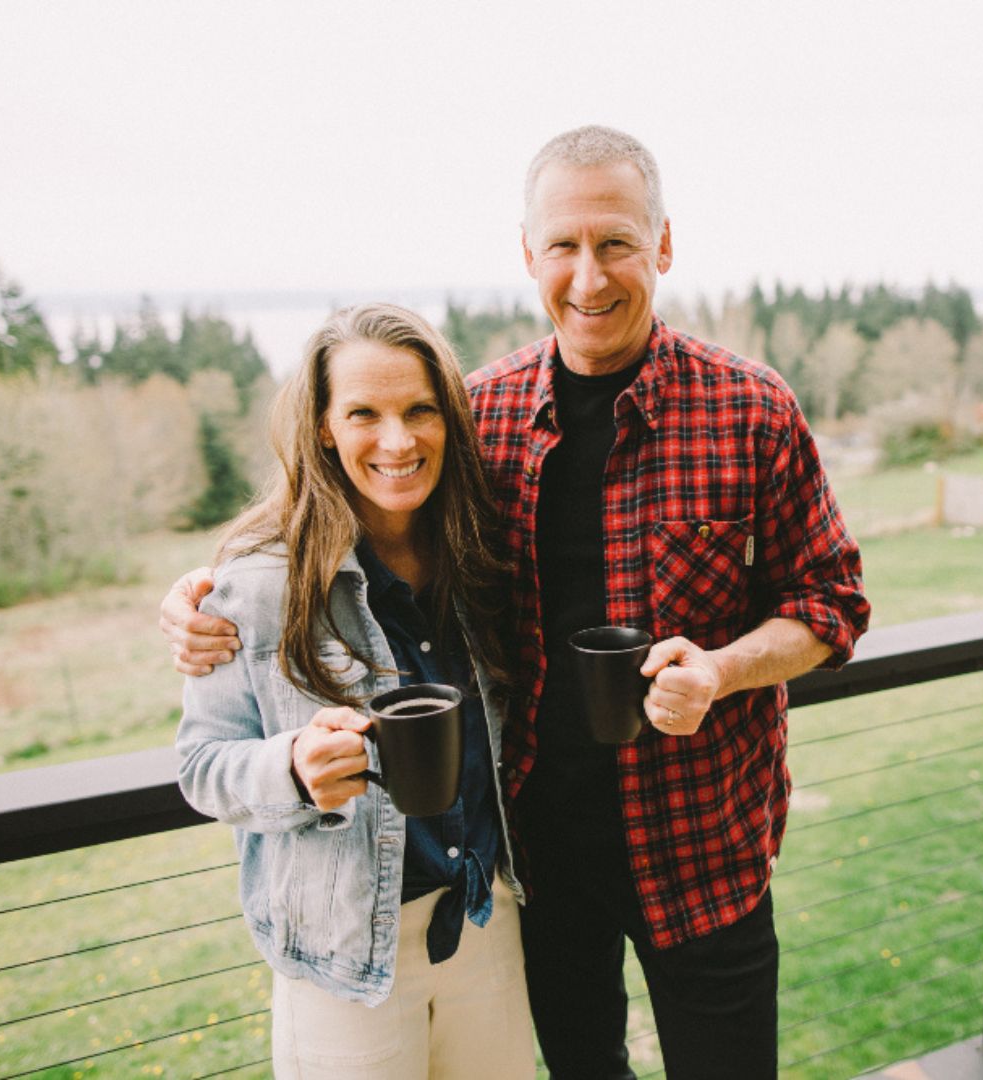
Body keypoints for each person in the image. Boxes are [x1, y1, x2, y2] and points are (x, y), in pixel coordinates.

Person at [164, 126, 870, 1079]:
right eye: (563, 247)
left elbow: (833, 605)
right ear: (527, 255)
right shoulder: (478, 414)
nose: (589, 277)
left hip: (705, 844)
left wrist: (723, 668)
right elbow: (349, 506)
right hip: (536, 864)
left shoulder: (752, 408)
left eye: (616, 241)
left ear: (663, 245)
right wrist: (209, 594)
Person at [174, 303, 535, 1080]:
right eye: (364, 413)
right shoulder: (260, 582)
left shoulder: (483, 555)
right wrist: (293, 771)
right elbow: (202, 764)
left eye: (420, 411)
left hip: (485, 920)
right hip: (343, 956)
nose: (398, 441)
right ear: (325, 427)